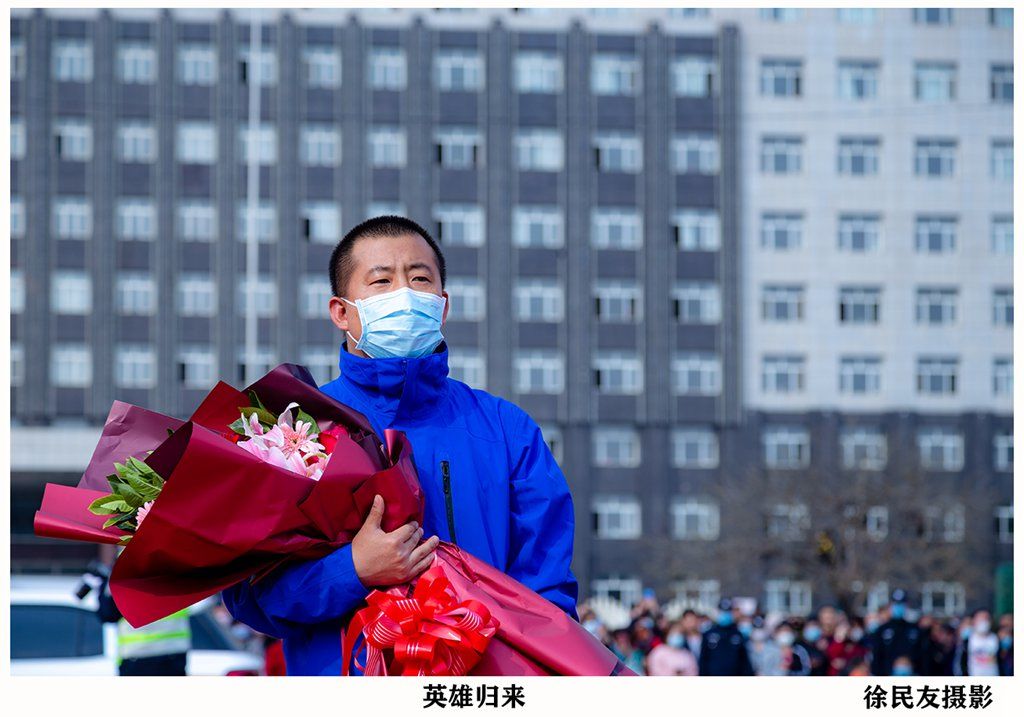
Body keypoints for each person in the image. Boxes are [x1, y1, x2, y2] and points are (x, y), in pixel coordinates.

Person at [222, 216, 578, 675]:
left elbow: (548, 597)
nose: (404, 294)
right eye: (382, 281)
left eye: (420, 278)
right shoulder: (291, 430)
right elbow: (252, 597)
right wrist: (352, 570)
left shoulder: (507, 430)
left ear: (443, 305)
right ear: (341, 312)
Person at [96, 568, 191, 676]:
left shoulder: (124, 568)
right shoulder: (179, 564)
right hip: (174, 655)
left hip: (138, 657)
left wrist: (101, 585)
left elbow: (108, 615)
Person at [870, 589, 924, 676]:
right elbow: (877, 656)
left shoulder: (914, 630)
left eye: (901, 604)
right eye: (896, 604)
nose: (898, 607)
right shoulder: (882, 630)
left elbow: (922, 655)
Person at [698, 598, 754, 676]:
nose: (725, 614)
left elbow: (744, 660)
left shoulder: (738, 635)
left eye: (727, 611)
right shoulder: (709, 634)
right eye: (722, 611)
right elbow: (703, 659)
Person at [962, 609, 1000, 676]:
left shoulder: (997, 638)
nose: (983, 621)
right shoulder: (967, 639)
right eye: (980, 618)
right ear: (974, 620)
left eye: (986, 618)